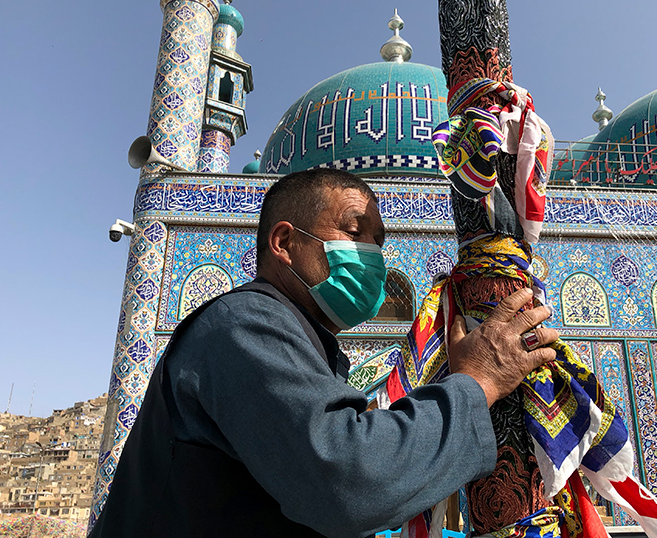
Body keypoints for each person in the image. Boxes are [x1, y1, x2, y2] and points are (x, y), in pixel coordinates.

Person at [90, 168, 560, 538]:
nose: (373, 254)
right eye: (355, 232)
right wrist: (478, 382)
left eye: (378, 241)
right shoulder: (242, 326)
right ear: (285, 243)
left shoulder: (305, 343)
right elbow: (349, 479)